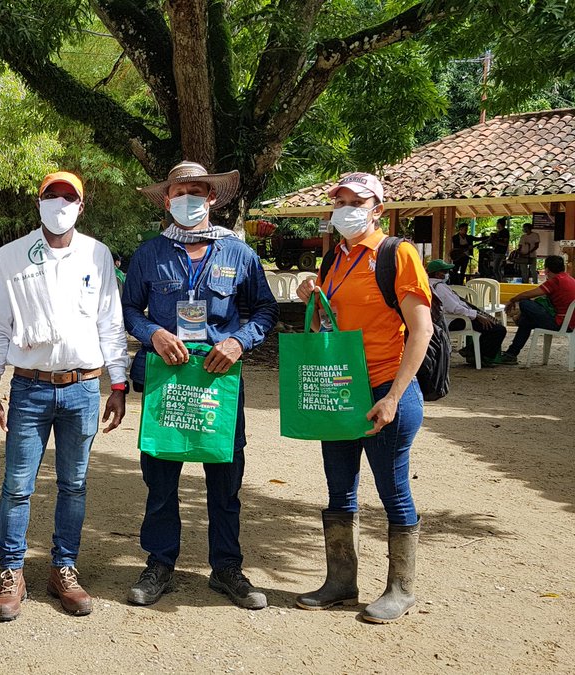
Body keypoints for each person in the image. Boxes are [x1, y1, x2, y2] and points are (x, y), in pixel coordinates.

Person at [122, 161, 279, 611]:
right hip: (166, 379)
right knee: (161, 479)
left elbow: (264, 310)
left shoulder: (239, 254)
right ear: (166, 199)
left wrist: (238, 340)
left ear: (212, 198)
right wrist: (151, 332)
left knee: (225, 479)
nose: (187, 198)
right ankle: (159, 565)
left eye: (196, 191)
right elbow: (131, 307)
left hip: (218, 378)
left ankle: (227, 567)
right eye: (178, 191)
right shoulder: (149, 253)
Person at [0, 171, 128, 621]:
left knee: (74, 484)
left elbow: (110, 321)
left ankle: (64, 567)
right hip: (29, 388)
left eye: (70, 197)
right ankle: (11, 571)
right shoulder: (12, 256)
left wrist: (118, 383)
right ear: (39, 202)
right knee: (18, 486)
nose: (60, 203)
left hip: (83, 388)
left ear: (81, 206)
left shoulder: (97, 255)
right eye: (52, 195)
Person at [294, 172, 431, 624]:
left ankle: (400, 588)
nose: (347, 208)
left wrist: (393, 396)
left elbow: (421, 330)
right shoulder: (335, 258)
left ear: (379, 210)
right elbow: (322, 330)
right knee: (339, 489)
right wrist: (311, 299)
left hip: (385, 388)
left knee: (393, 488)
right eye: (341, 201)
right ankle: (340, 581)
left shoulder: (397, 254)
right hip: (338, 388)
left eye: (358, 201)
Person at [495, 255, 575, 364]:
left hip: (561, 323)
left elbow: (530, 294)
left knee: (525, 303)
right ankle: (511, 354)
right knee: (526, 320)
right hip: (569, 323)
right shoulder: (568, 278)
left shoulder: (556, 281)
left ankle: (511, 353)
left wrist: (513, 300)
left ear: (546, 270)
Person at [425, 260, 506, 365]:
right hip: (455, 319)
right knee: (498, 330)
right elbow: (455, 308)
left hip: (452, 318)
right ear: (437, 274)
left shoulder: (430, 284)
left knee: (491, 327)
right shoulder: (439, 287)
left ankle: (471, 351)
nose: (447, 274)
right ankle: (481, 357)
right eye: (445, 272)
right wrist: (476, 315)